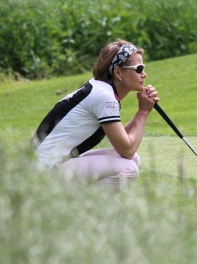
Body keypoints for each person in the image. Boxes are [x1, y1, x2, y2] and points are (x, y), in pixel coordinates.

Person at [31, 40, 159, 190]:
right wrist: (143, 112)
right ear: (118, 72)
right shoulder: (104, 96)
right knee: (128, 169)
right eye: (139, 68)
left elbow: (122, 144)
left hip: (51, 165)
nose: (144, 74)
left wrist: (141, 112)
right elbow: (127, 150)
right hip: (44, 172)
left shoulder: (102, 90)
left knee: (131, 160)